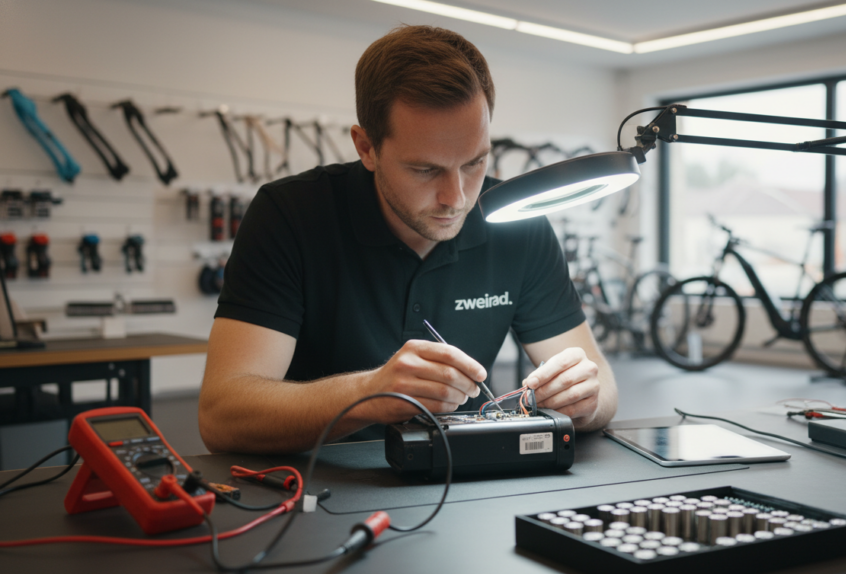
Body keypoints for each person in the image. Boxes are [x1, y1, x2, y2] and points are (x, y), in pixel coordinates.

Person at [198, 25, 617, 454]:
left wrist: (585, 398)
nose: (456, 198)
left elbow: (602, 388)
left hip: (467, 476)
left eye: (474, 163)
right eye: (425, 170)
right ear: (366, 147)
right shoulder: (289, 215)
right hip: (315, 481)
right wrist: (369, 393)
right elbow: (222, 416)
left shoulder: (518, 225)